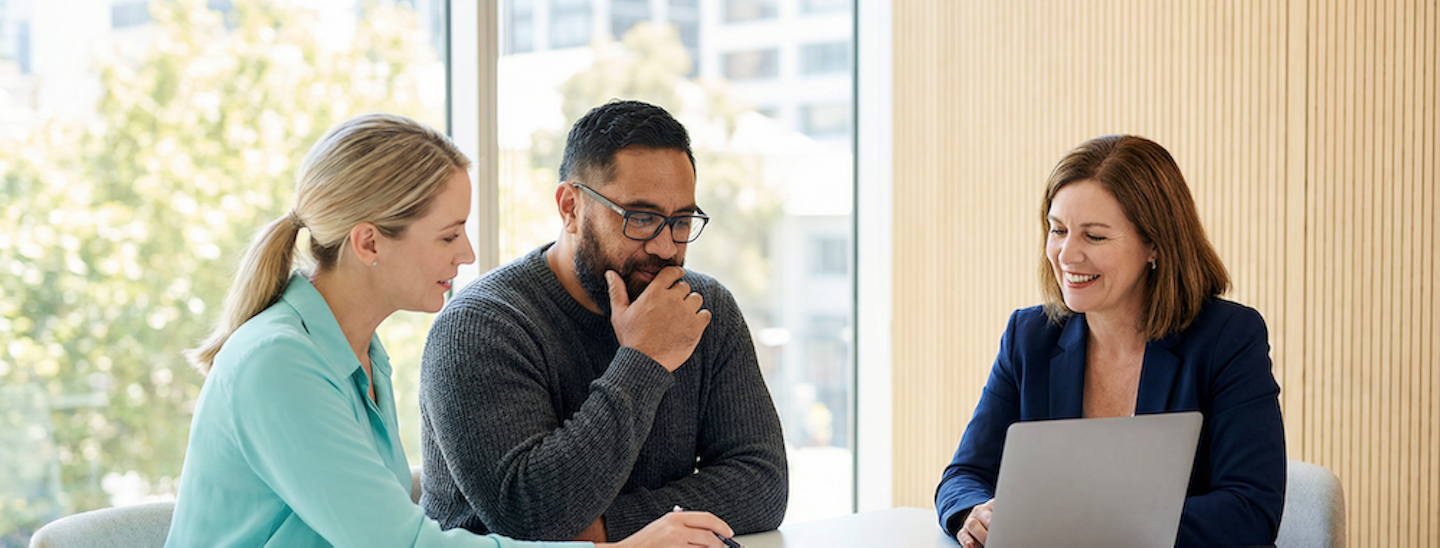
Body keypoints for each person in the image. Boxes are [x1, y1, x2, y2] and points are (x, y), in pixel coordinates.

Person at [167, 113, 733, 547]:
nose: (468, 253)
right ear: (368, 243)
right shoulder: (279, 363)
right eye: (447, 235)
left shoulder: (357, 355)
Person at [418, 100, 788, 543]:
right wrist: (644, 359)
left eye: (682, 220)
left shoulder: (705, 308)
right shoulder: (480, 328)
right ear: (570, 206)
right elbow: (530, 517)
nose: (667, 247)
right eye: (643, 218)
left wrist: (607, 530)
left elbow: (762, 483)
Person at [934, 135, 1286, 547]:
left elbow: (1250, 511)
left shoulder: (1228, 338)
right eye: (1058, 230)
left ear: (1154, 243)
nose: (1066, 254)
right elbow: (964, 477)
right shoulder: (1031, 336)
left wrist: (1086, 525)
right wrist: (975, 514)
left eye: (1094, 237)